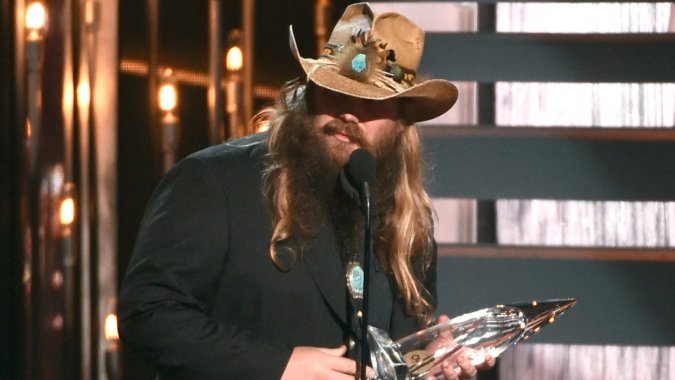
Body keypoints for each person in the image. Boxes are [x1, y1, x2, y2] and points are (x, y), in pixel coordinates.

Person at [118, 3, 495, 379]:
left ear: (401, 119)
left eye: (372, 102)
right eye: (337, 92)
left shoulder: (408, 216)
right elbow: (148, 313)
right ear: (311, 93)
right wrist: (279, 366)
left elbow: (393, 350)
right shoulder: (214, 180)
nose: (350, 113)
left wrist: (429, 355)